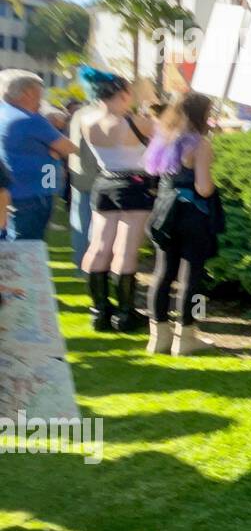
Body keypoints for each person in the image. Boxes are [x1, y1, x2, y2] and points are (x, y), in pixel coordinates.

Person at [79, 68, 157, 333]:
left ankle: (99, 312)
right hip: (133, 185)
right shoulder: (136, 122)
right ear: (123, 93)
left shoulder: (87, 120)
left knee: (98, 246)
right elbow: (167, 135)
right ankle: (124, 314)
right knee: (125, 249)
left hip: (104, 182)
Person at [144, 91, 221, 355]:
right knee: (191, 275)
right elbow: (203, 188)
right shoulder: (200, 144)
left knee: (162, 272)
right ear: (201, 115)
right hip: (192, 215)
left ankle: (158, 337)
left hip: (164, 213)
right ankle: (185, 337)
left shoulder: (163, 139)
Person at [0, 70, 74, 241]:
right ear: (28, 92)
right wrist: (54, 151)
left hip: (9, 192)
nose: (42, 98)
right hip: (32, 195)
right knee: (26, 249)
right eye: (40, 91)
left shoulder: (4, 113)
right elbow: (68, 147)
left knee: (9, 247)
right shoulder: (29, 119)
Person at [66, 98, 102, 274]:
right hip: (97, 174)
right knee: (95, 223)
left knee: (80, 220)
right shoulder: (101, 115)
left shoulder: (79, 114)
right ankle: (91, 265)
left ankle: (80, 264)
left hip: (78, 172)